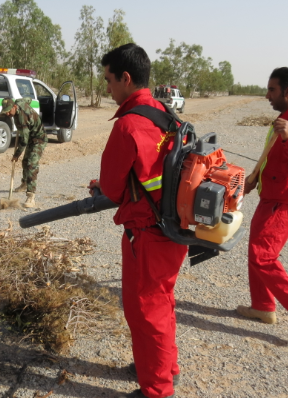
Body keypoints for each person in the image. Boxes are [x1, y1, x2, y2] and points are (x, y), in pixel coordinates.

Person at [90, 43, 187, 398]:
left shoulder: (129, 125)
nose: (108, 88)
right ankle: (161, 367)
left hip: (147, 235)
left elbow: (115, 189)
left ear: (126, 78)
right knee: (161, 303)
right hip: (173, 229)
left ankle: (157, 389)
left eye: (109, 80)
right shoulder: (165, 113)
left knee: (147, 310)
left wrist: (104, 186)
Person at [238, 67, 288, 342]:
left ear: (287, 91)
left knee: (262, 256)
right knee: (256, 248)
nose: (267, 95)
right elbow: (271, 155)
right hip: (270, 196)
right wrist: (255, 177)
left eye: (271, 90)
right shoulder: (284, 118)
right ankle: (263, 307)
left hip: (284, 200)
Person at [1, 97, 48, 208]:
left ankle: (31, 196)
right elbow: (28, 99)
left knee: (31, 164)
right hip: (31, 137)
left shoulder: (22, 119)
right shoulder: (19, 102)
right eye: (5, 111)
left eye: (9, 110)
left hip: (39, 138)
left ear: (14, 107)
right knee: (25, 162)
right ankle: (25, 183)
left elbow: (23, 141)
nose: (7, 113)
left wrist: (16, 155)